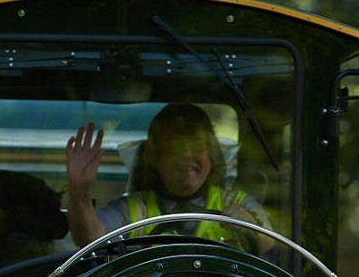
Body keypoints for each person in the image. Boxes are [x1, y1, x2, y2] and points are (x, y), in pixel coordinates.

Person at [64, 103, 276, 253]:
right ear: (154, 157)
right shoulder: (133, 209)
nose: (187, 155)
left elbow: (269, 245)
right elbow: (90, 238)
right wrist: (80, 190)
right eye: (176, 146)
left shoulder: (237, 203)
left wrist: (247, 225)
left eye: (197, 146)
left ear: (211, 156)